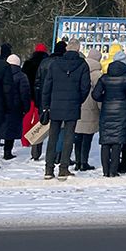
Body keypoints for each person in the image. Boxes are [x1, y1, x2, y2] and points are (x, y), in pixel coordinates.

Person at [40, 41, 92, 180]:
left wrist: (46, 105)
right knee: (69, 137)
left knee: (53, 137)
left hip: (55, 104)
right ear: (78, 49)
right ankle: (63, 168)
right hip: (72, 105)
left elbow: (47, 86)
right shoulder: (82, 65)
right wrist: (78, 100)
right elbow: (85, 87)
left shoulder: (55, 64)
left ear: (67, 48)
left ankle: (48, 169)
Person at [91, 50, 126, 177]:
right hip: (122, 112)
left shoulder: (104, 78)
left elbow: (95, 95)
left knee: (105, 141)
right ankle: (113, 171)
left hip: (106, 112)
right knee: (116, 141)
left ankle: (105, 171)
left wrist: (106, 99)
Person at [73, 48, 104, 172]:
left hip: (78, 105)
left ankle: (77, 161)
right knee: (87, 137)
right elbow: (99, 94)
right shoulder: (97, 74)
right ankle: (83, 162)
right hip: (91, 108)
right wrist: (101, 108)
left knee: (78, 136)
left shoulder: (79, 69)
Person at [0, 54, 32, 160]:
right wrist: (26, 107)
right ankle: (7, 152)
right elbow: (25, 93)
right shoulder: (22, 76)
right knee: (11, 130)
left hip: (1, 105)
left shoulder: (1, 73)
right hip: (16, 107)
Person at [21, 44, 48, 161]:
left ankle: (25, 140)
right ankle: (35, 139)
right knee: (38, 120)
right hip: (41, 95)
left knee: (27, 117)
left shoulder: (28, 64)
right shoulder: (46, 64)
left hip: (29, 94)